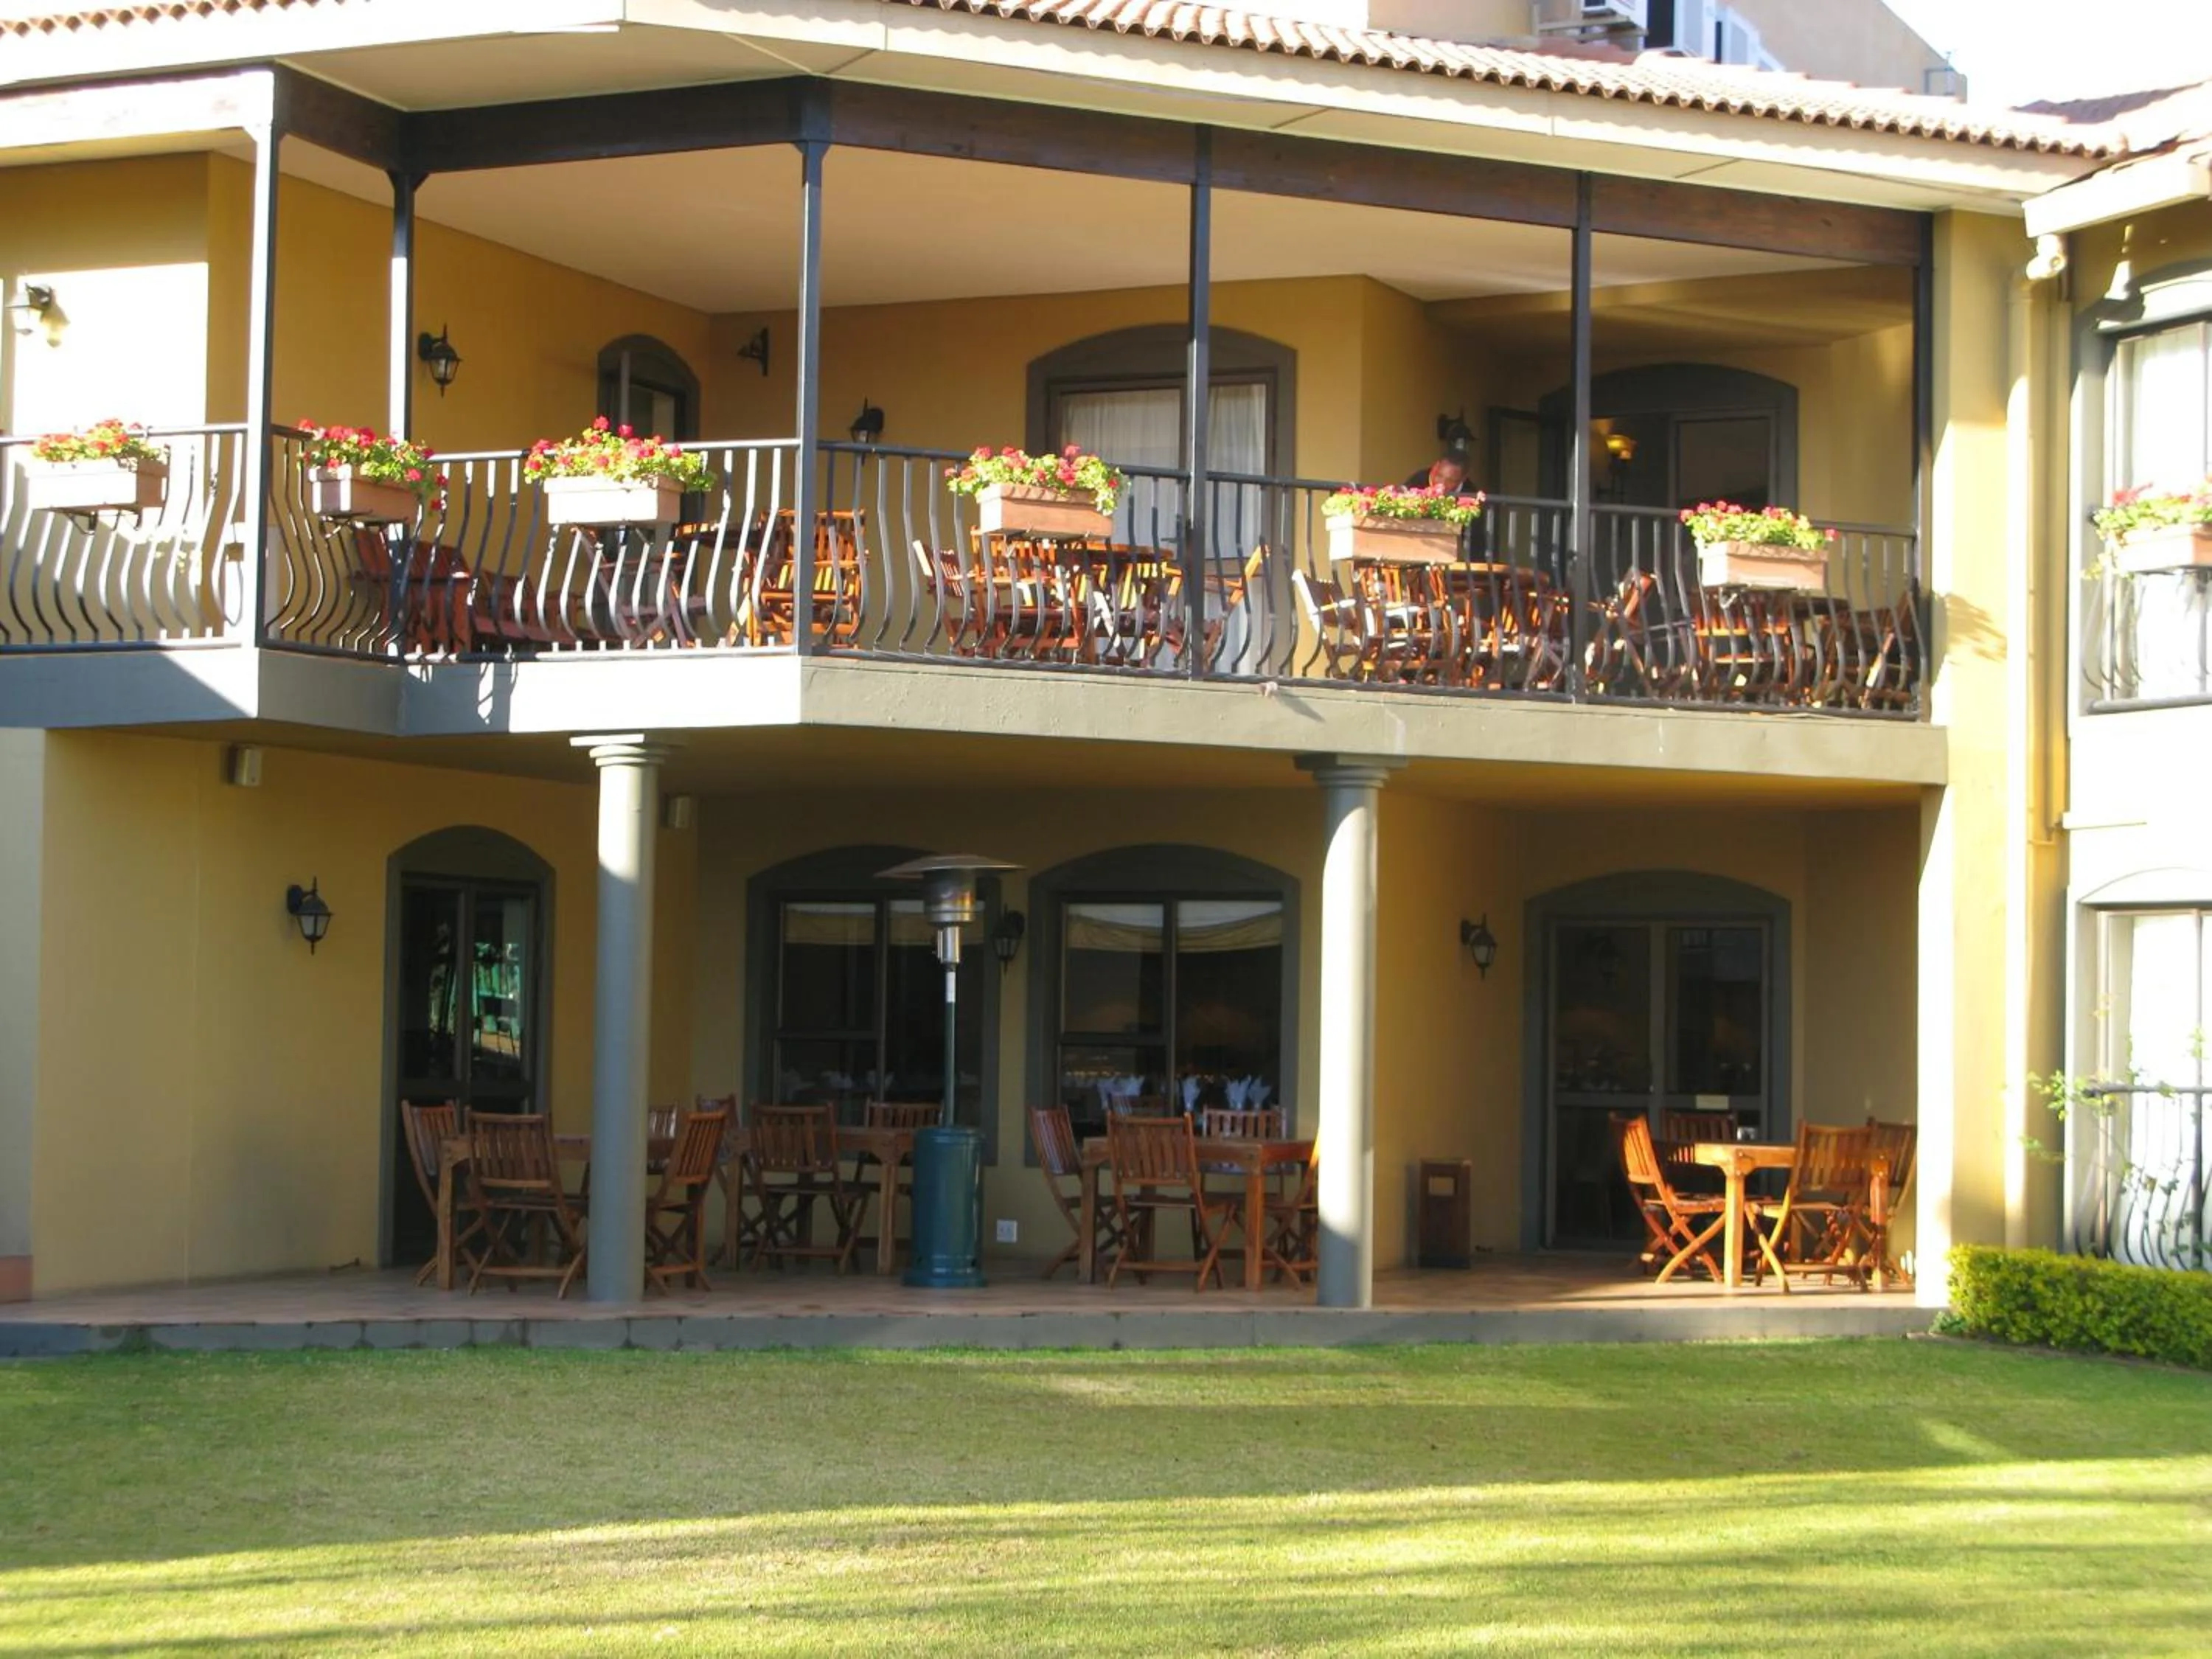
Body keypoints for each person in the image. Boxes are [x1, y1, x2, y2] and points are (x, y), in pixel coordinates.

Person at [1399, 450, 1488, 557]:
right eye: (1439, 476)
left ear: (1463, 479)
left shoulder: (1471, 496)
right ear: (1436, 466)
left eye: (1450, 481)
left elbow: (1475, 540)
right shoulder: (1417, 481)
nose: (1442, 484)